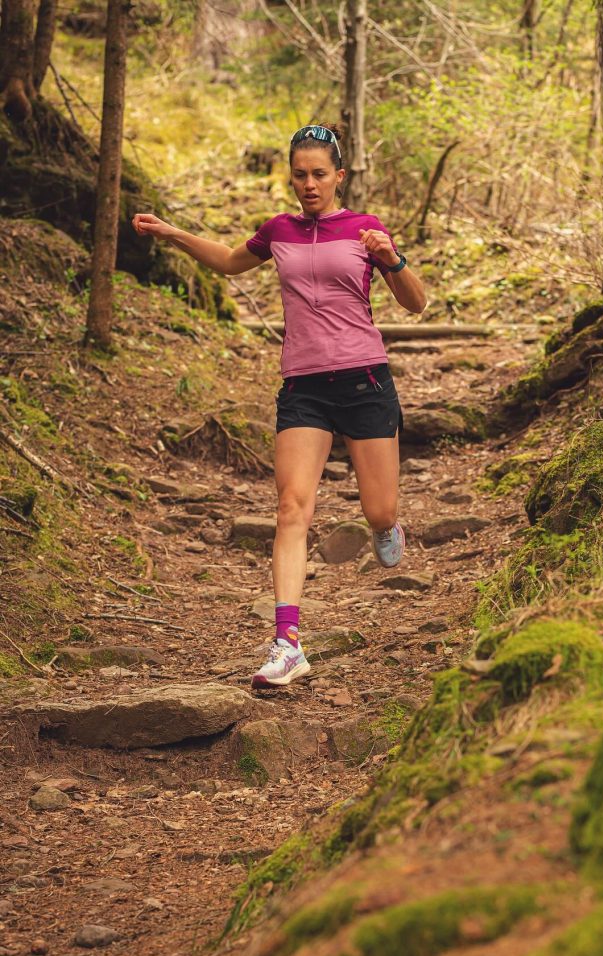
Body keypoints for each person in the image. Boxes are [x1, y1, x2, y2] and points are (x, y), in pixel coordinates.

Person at [132, 122, 426, 690]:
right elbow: (226, 261)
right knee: (292, 508)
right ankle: (287, 643)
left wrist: (392, 259)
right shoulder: (279, 231)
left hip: (365, 382)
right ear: (290, 177)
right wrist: (171, 233)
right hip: (304, 389)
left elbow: (416, 304)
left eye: (320, 174)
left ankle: (388, 527)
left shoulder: (366, 229)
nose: (309, 184)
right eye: (300, 174)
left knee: (380, 512)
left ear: (340, 176)